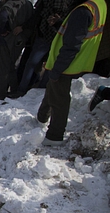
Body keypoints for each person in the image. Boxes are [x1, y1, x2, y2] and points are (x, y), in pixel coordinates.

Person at [37, 0, 106, 146]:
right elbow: (78, 32)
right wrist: (59, 24)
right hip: (74, 60)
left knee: (59, 98)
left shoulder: (83, 11)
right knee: (53, 88)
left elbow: (71, 44)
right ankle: (41, 117)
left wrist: (57, 69)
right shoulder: (99, 5)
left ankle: (54, 137)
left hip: (68, 62)